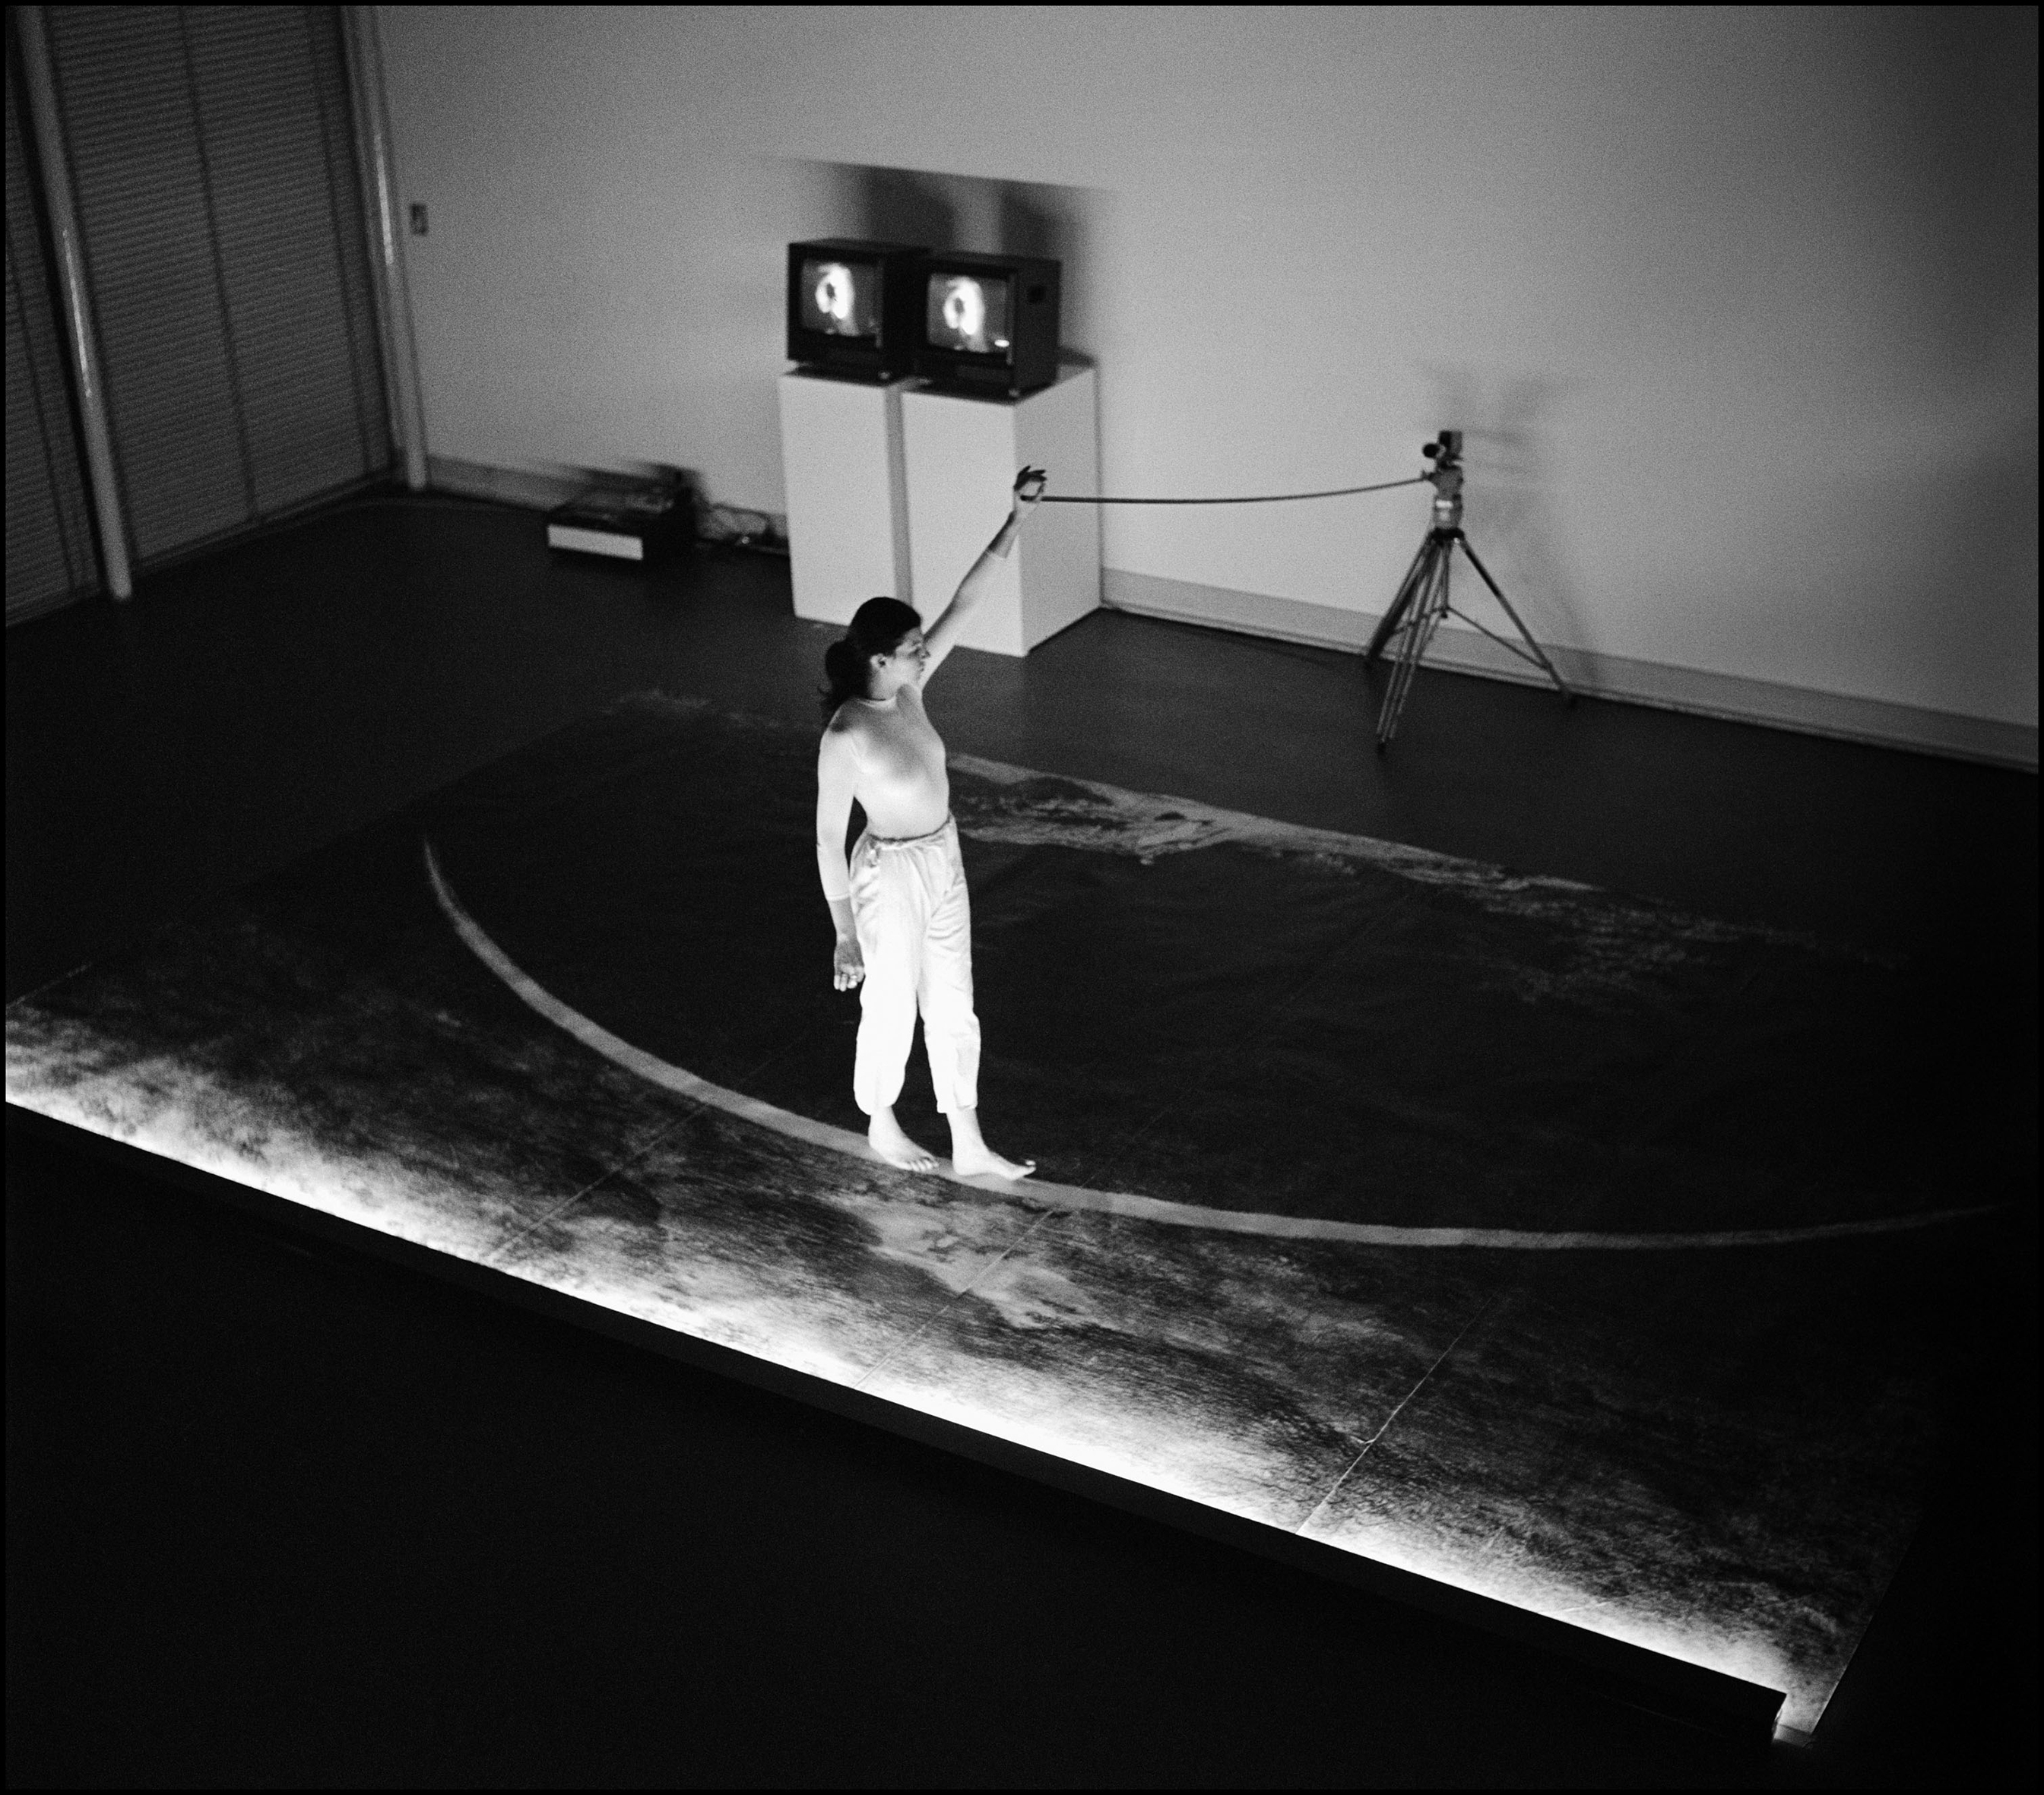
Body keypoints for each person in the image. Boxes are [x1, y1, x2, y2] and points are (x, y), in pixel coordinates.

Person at [814, 467, 1047, 1178]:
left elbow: (965, 603)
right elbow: (827, 838)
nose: (926, 648)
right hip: (888, 874)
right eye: (913, 644)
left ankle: (968, 1139)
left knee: (952, 998)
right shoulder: (846, 735)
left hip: (942, 857)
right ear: (880, 659)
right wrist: (845, 931)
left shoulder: (910, 688)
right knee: (890, 1005)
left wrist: (1015, 521)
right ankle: (881, 1121)